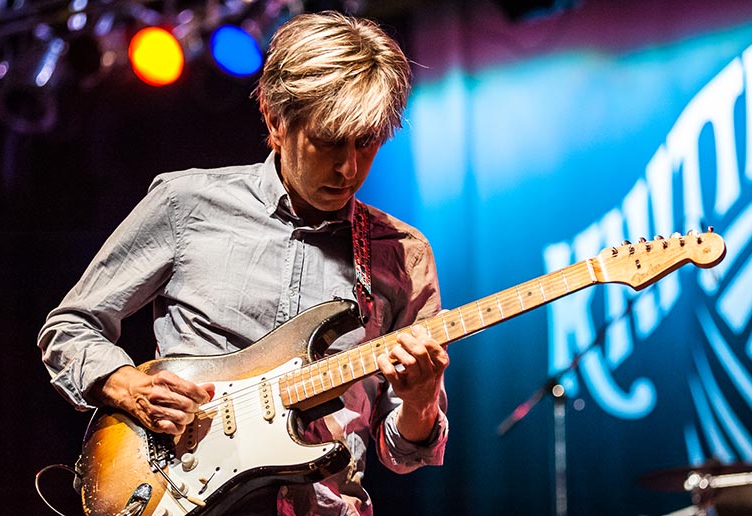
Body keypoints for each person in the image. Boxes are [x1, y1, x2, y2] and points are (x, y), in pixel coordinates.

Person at [37, 10, 449, 516]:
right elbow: (71, 326)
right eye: (328, 140)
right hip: (177, 495)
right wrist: (127, 385)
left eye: (366, 143)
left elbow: (404, 452)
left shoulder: (402, 254)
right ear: (275, 120)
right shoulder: (186, 202)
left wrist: (422, 399)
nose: (348, 168)